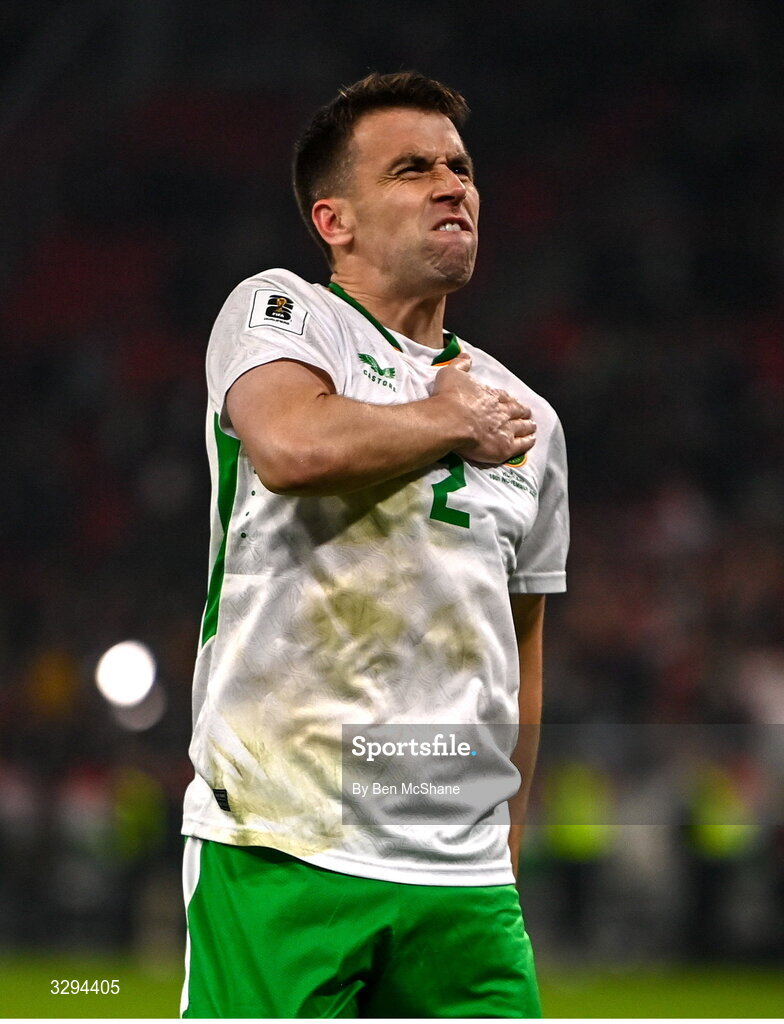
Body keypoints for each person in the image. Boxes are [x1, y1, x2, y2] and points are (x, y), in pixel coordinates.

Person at [180, 71, 569, 1018]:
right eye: (411, 169)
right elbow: (293, 447)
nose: (452, 185)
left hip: (463, 884)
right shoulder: (283, 316)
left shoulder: (532, 420)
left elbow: (521, 649)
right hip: (283, 845)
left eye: (460, 168)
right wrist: (444, 420)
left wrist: (503, 850)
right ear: (334, 220)